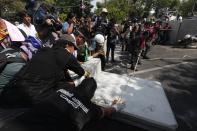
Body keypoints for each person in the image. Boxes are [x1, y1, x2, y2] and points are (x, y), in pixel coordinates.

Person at [0, 78, 125, 131]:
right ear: (91, 95)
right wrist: (115, 106)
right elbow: (107, 112)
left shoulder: (61, 90)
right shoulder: (90, 108)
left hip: (14, 124)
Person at [0, 34, 86, 107]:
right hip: (31, 97)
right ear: (68, 45)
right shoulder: (67, 55)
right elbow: (81, 72)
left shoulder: (43, 50)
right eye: (73, 48)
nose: (74, 51)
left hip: (10, 91)